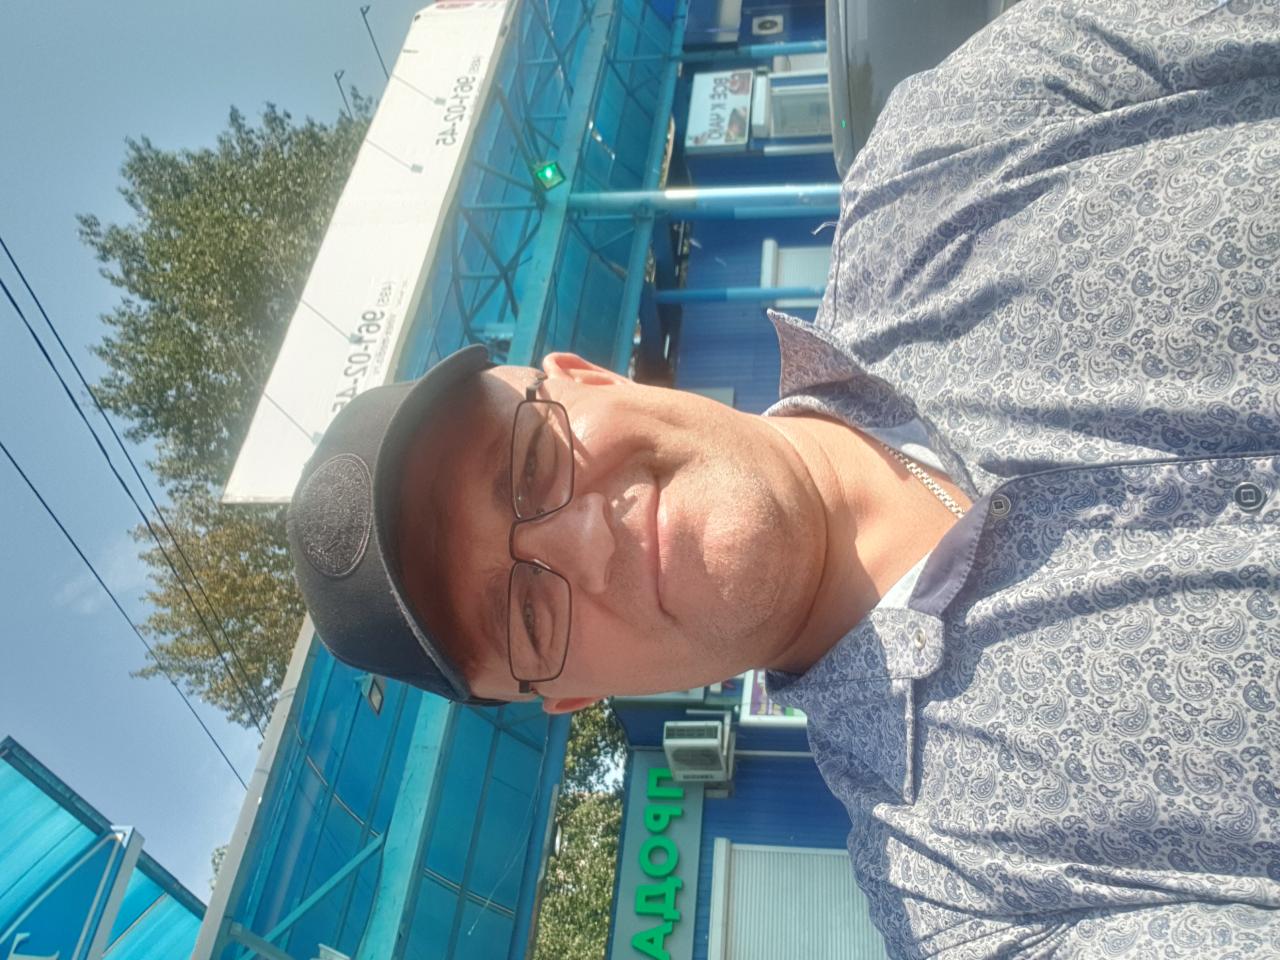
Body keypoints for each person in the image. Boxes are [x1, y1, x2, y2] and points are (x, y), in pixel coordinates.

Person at [287, 0, 1280, 955]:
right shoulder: (975, 902)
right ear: (575, 696)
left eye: (531, 461)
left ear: (585, 376)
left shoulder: (956, 155)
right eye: (529, 618)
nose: (584, 541)